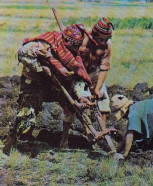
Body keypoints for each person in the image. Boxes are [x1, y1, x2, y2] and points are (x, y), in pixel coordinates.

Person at [3, 24, 94, 155]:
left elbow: (76, 78)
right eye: (75, 45)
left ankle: (66, 141)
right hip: (34, 82)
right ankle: (11, 147)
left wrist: (82, 95)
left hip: (55, 84)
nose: (76, 48)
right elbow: (22, 53)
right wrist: (41, 68)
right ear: (68, 41)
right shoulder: (44, 45)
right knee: (26, 114)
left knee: (71, 105)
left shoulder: (72, 56)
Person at [74, 17, 114, 127]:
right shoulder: (81, 39)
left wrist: (97, 88)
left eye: (105, 40)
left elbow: (104, 68)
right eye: (101, 39)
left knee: (103, 98)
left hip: (93, 73)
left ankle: (103, 130)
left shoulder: (107, 46)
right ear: (94, 34)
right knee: (80, 101)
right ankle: (66, 138)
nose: (102, 42)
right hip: (77, 74)